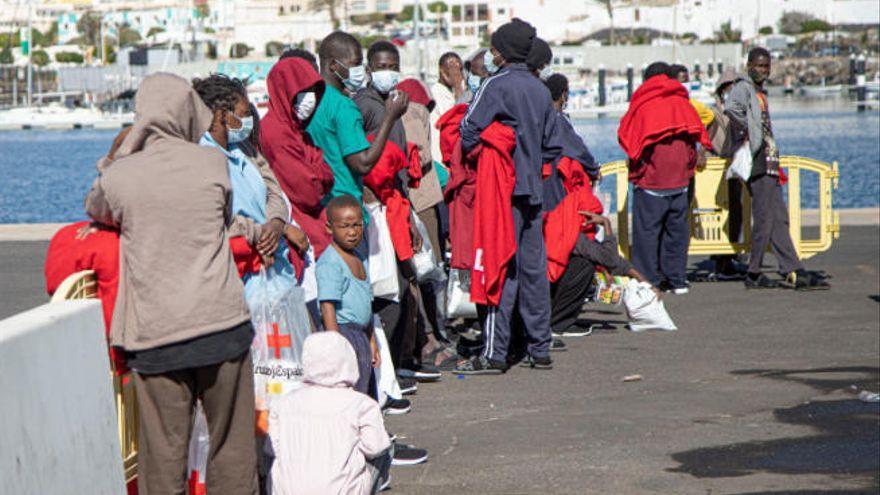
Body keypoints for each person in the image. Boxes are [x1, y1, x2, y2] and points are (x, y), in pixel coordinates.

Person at [84, 73, 257, 494]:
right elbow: (222, 214)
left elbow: (97, 207)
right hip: (222, 325)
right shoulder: (213, 163)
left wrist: (121, 152)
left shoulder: (122, 178)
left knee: (162, 459)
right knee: (232, 451)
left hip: (157, 336)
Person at [455, 18, 563, 374]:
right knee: (533, 270)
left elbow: (467, 129)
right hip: (533, 190)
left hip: (500, 191)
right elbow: (553, 145)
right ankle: (540, 347)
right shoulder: (540, 90)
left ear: (500, 51)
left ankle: (495, 353)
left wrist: (486, 155)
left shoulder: (494, 85)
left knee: (497, 267)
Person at [725, 47, 829, 290]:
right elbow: (730, 110)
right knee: (764, 218)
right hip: (758, 160)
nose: (763, 70)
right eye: (759, 65)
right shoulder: (743, 87)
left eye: (766, 66)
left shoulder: (760, 91)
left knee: (779, 218)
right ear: (748, 65)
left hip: (769, 160)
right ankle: (754, 273)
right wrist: (749, 135)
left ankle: (793, 269)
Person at [618, 61, 711, 296]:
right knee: (677, 233)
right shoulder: (682, 101)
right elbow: (696, 134)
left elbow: (630, 139)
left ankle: (649, 281)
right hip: (680, 180)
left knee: (647, 235)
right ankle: (677, 279)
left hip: (651, 181)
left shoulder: (643, 104)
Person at [267, 331, 392, 495]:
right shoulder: (362, 404)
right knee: (386, 448)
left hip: (287, 490)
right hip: (341, 490)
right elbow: (375, 446)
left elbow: (271, 448)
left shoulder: (282, 403)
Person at [307, 31, 408, 220]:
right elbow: (362, 163)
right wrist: (390, 117)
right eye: (355, 64)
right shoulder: (343, 106)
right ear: (333, 66)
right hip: (346, 207)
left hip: (319, 205)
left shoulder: (310, 100)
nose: (360, 71)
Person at [260, 57, 335, 259]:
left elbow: (327, 175)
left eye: (313, 92)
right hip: (301, 236)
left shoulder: (297, 130)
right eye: (302, 93)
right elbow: (307, 193)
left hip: (317, 228)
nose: (310, 99)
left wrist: (317, 172)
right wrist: (318, 173)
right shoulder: (276, 133)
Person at [316, 195, 379, 396]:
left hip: (360, 335)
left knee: (365, 390)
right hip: (343, 333)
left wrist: (371, 341)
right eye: (345, 226)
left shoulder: (359, 258)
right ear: (329, 228)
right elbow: (327, 306)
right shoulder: (330, 262)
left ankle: (368, 427)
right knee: (348, 392)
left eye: (357, 225)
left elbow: (367, 304)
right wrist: (336, 345)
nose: (352, 232)